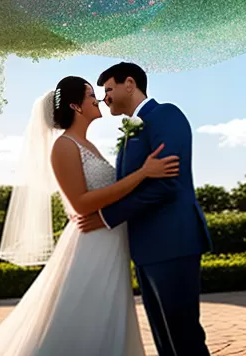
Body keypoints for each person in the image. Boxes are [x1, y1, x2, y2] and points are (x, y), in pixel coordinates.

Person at [0, 75, 181, 355]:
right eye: (90, 94)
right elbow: (81, 203)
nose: (98, 99)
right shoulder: (64, 146)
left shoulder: (88, 146)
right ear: (75, 106)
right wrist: (143, 174)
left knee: (107, 316)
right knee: (86, 317)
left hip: (109, 241)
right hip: (90, 244)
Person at [81, 62, 212, 356]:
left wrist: (106, 217)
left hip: (173, 242)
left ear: (130, 83)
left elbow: (168, 184)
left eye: (109, 89)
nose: (105, 98)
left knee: (184, 338)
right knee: (165, 342)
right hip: (146, 249)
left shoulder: (165, 115)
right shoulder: (131, 132)